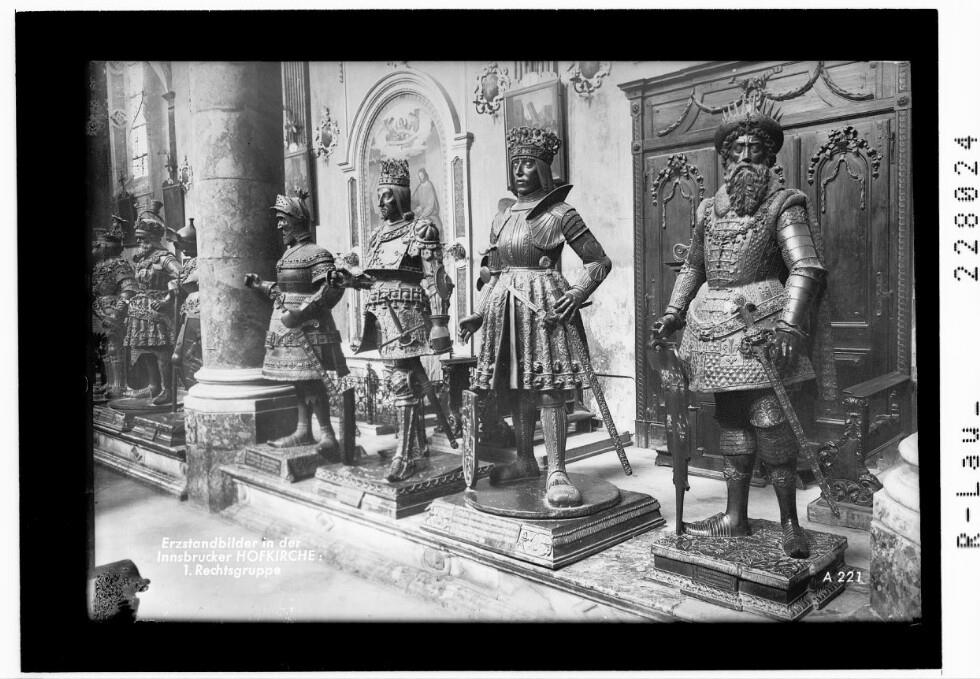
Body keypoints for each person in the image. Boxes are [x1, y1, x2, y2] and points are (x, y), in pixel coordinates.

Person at [651, 97, 827, 558]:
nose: (746, 157)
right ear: (725, 158)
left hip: (761, 326)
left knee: (771, 423)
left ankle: (790, 523)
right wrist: (672, 312)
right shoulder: (708, 210)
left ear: (770, 157)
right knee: (730, 422)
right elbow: (694, 266)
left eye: (755, 149)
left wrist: (789, 327)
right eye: (737, 150)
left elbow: (805, 267)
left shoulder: (784, 204)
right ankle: (735, 516)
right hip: (711, 327)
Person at [459, 126, 612, 508]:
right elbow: (494, 273)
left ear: (543, 168)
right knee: (516, 385)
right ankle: (525, 459)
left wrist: (576, 293)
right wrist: (478, 313)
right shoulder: (501, 217)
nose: (520, 171)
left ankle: (557, 470)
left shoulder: (561, 213)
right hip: (504, 307)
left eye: (528, 163)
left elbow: (598, 261)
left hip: (544, 305)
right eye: (516, 164)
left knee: (548, 389)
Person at [333, 158, 452, 482]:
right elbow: (375, 278)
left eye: (387, 195)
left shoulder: (421, 229)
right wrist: (350, 280)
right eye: (378, 195)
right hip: (381, 315)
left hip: (408, 314)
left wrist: (440, 322)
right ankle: (418, 446)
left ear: (400, 196)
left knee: (401, 381)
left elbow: (437, 279)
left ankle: (405, 456)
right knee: (402, 379)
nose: (381, 202)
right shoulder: (377, 236)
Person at [244, 194, 349, 459]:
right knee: (298, 381)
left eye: (283, 219)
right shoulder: (288, 254)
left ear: (297, 220)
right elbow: (284, 292)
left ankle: (327, 434)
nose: (279, 225)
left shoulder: (317, 254)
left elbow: (331, 289)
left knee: (312, 380)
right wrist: (260, 285)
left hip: (310, 327)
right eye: (278, 220)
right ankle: (303, 431)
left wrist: (301, 313)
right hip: (286, 328)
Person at [122, 202, 181, 406]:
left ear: (153, 238)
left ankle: (167, 389)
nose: (139, 242)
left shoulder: (164, 258)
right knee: (144, 349)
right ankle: (153, 386)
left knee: (160, 350)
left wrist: (167, 299)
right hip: (139, 310)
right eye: (138, 238)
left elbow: (181, 276)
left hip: (158, 310)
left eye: (143, 238)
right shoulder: (141, 259)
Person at [91, 223, 137, 399]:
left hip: (114, 309)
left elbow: (128, 288)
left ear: (106, 247)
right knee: (104, 348)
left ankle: (119, 385)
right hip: (100, 309)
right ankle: (109, 383)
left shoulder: (119, 264)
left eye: (98, 245)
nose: (95, 248)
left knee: (114, 347)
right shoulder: (99, 266)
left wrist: (117, 312)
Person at [166, 219, 201, 390]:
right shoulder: (190, 263)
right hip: (187, 313)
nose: (183, 250)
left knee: (195, 357)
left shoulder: (204, 261)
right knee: (178, 357)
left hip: (200, 314)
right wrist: (173, 285)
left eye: (186, 245)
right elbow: (181, 283)